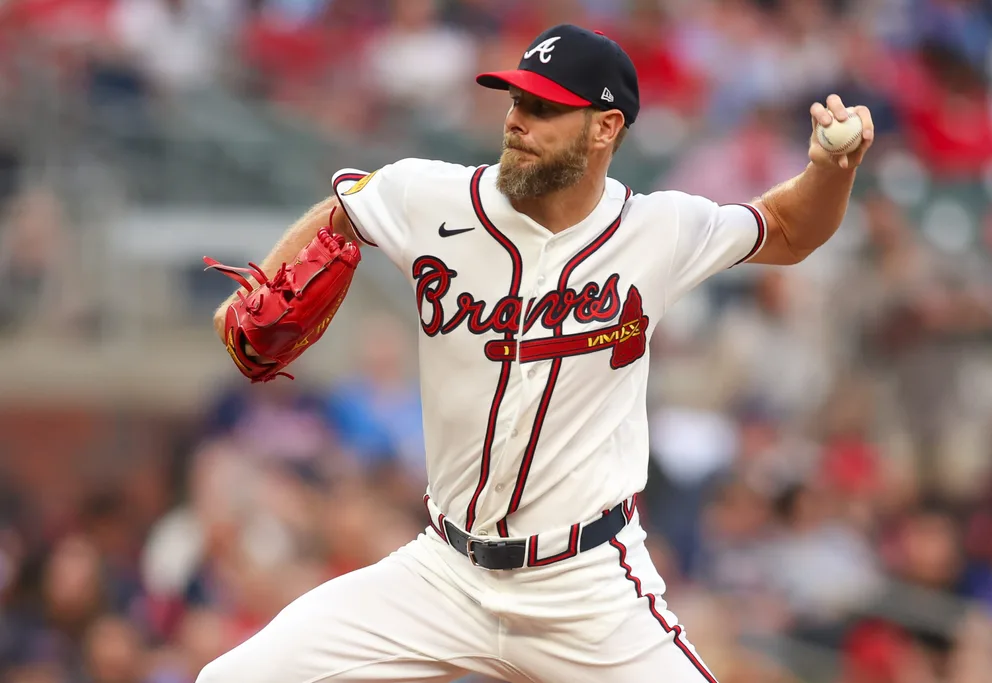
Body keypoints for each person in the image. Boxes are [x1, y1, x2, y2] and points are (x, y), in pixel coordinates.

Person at [200, 23, 874, 683]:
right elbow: (345, 208)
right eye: (516, 100)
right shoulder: (431, 197)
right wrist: (259, 286)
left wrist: (830, 172)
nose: (517, 120)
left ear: (605, 127)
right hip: (445, 573)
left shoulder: (657, 229)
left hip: (584, 586)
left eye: (545, 108)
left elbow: (787, 227)